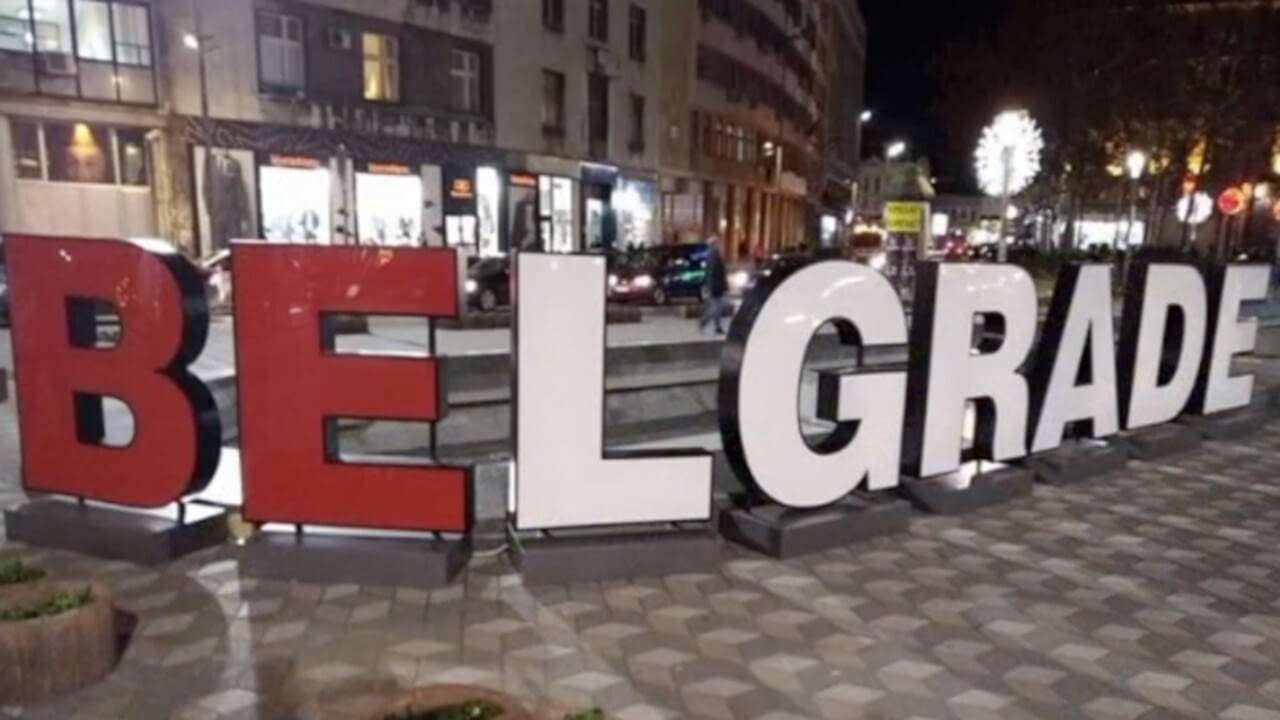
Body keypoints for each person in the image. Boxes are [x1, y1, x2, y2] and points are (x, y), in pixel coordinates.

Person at [699, 235, 729, 335]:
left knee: (717, 307)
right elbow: (711, 273)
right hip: (716, 286)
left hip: (716, 285)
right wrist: (711, 287)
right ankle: (704, 321)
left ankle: (717, 327)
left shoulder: (714, 254)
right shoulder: (713, 256)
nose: (719, 245)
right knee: (716, 307)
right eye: (717, 243)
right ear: (713, 244)